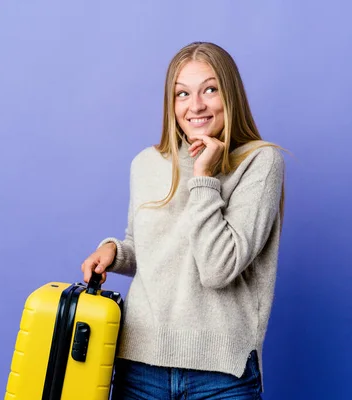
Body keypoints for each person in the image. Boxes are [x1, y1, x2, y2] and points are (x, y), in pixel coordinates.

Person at [81, 41, 286, 400]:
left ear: (231, 94)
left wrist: (203, 176)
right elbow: (146, 247)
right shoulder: (146, 163)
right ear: (170, 103)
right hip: (138, 365)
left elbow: (218, 268)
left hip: (222, 375)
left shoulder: (260, 163)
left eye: (210, 89)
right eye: (182, 94)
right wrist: (115, 252)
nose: (196, 106)